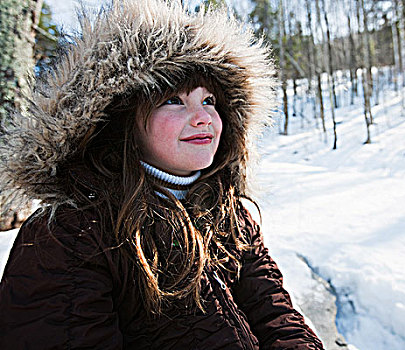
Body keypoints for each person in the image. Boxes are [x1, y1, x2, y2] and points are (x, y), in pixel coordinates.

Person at [0, 0, 324, 349]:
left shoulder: (228, 212)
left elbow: (275, 315)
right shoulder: (72, 235)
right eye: (174, 100)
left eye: (210, 100)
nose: (203, 118)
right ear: (122, 119)